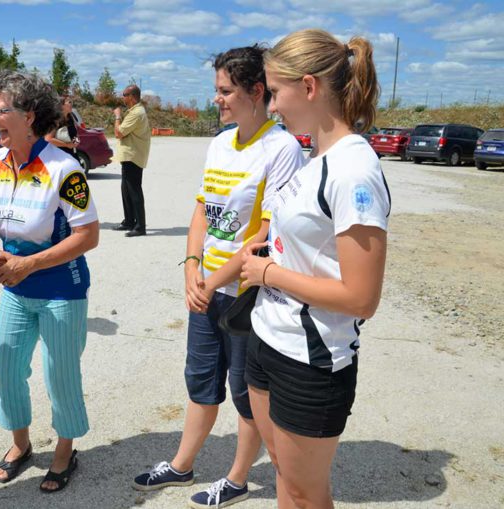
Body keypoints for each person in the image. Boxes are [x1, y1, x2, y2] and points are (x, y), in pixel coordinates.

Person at [133, 46, 305, 509]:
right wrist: (192, 268)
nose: (218, 99)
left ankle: (237, 477)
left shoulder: (282, 148)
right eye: (216, 90)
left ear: (256, 91)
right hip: (207, 286)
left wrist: (212, 282)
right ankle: (183, 464)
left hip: (248, 294)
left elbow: (267, 235)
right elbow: (201, 212)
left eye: (225, 91)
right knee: (200, 378)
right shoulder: (219, 143)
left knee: (247, 391)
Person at [239, 29, 389, 508]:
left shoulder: (354, 170)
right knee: (284, 474)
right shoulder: (314, 156)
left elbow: (361, 297)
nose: (273, 106)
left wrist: (269, 275)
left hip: (311, 359)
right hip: (268, 336)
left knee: (305, 493)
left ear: (309, 87)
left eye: (276, 93)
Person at [0, 70, 99, 493]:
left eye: (1, 109)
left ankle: (65, 451)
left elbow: (89, 235)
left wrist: (30, 264)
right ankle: (21, 446)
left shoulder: (64, 168)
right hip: (15, 289)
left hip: (61, 290)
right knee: (8, 369)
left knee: (59, 374)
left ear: (29, 115)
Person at [112, 84, 151, 237]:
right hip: (128, 156)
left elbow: (118, 132)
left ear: (132, 96)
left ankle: (140, 226)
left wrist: (117, 116)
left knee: (134, 191)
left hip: (133, 156)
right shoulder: (134, 111)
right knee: (126, 190)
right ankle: (129, 221)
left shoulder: (137, 113)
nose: (123, 97)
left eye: (124, 94)